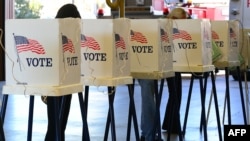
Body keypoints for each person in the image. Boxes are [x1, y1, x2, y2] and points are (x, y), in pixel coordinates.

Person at [139, 7, 189, 141]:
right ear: (173, 18)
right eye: (180, 21)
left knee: (175, 86)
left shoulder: (177, 30)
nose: (182, 25)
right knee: (148, 87)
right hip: (148, 65)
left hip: (167, 63)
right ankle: (148, 134)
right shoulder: (159, 25)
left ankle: (171, 124)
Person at [44, 4, 81, 141]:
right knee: (59, 124)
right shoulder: (68, 35)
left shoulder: (52, 32)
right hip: (64, 81)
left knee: (55, 124)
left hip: (54, 81)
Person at [162, 7, 189, 133]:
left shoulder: (169, 25)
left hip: (175, 63)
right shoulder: (166, 26)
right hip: (168, 63)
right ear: (174, 18)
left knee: (176, 93)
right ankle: (173, 125)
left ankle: (170, 123)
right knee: (175, 93)